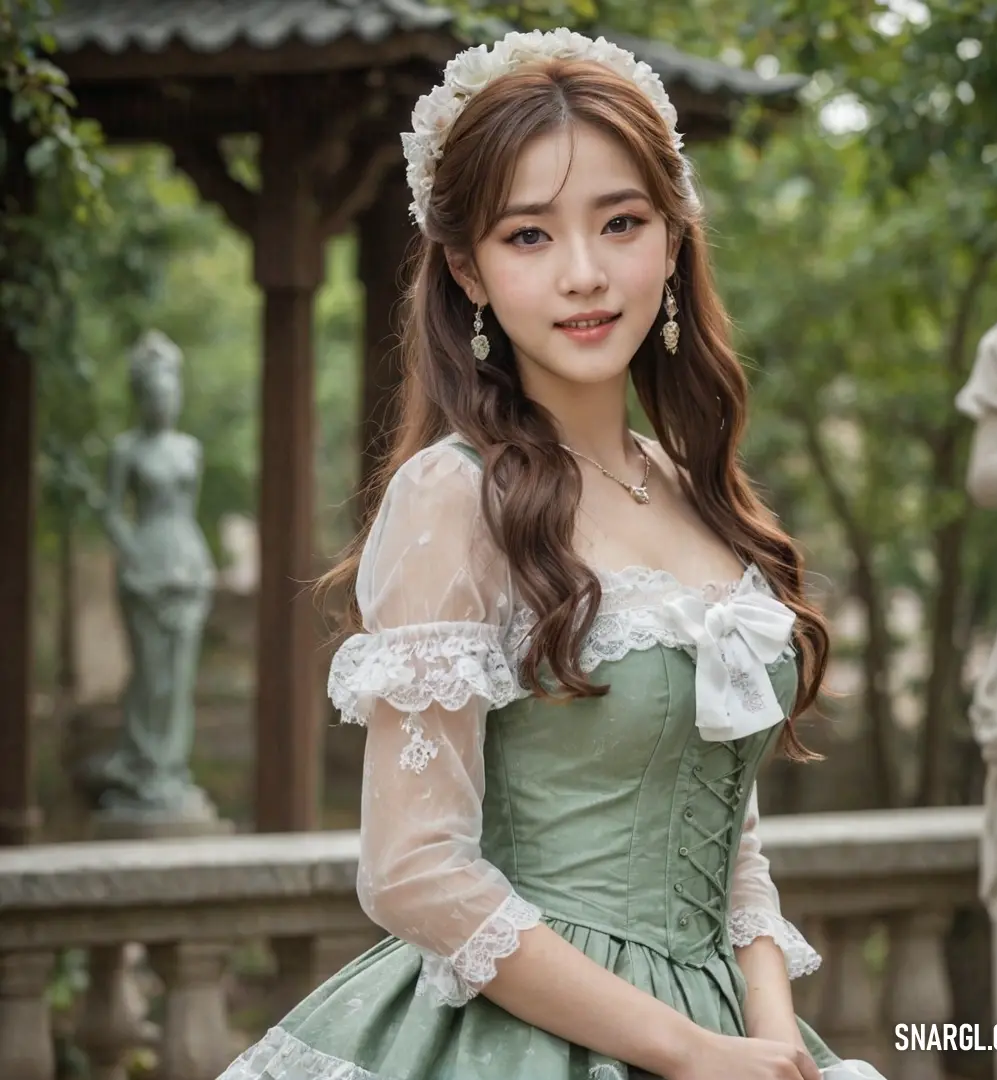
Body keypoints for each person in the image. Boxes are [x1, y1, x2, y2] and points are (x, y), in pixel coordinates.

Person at [218, 29, 886, 1080]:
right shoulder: (455, 496)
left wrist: (764, 1039)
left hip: (730, 1033)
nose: (584, 274)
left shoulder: (694, 488)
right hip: (531, 1035)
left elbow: (727, 830)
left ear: (672, 240)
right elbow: (412, 871)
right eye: (528, 236)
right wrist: (680, 1052)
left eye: (620, 223)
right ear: (467, 271)